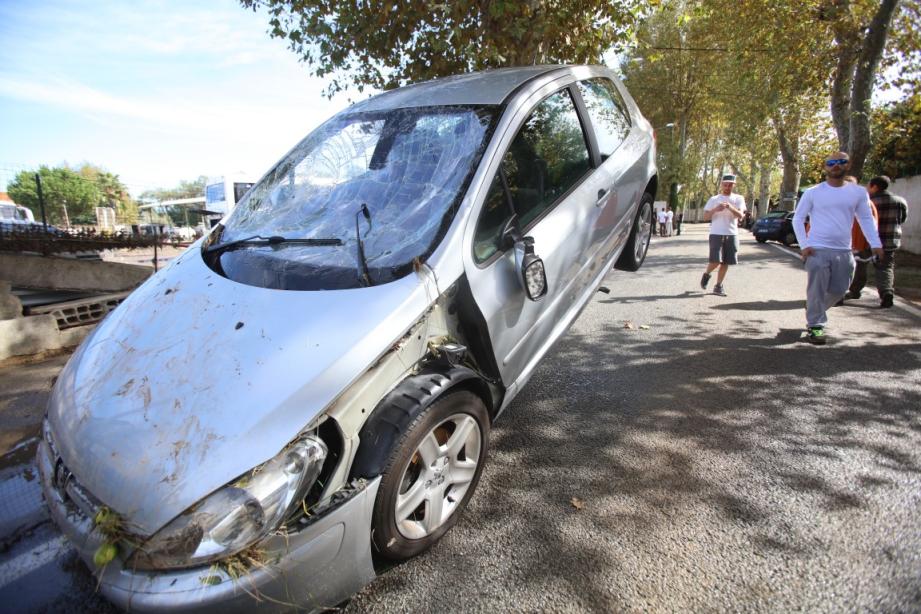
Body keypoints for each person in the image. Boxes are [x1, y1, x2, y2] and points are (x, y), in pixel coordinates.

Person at [793, 152, 883, 345]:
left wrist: (875, 244)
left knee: (840, 290)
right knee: (816, 290)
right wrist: (804, 245)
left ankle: (813, 310)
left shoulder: (858, 192)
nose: (836, 165)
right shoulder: (813, 192)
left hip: (843, 250)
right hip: (817, 249)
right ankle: (816, 326)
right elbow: (798, 218)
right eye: (831, 163)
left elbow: (865, 219)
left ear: (847, 165)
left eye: (840, 162)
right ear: (825, 167)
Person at [853, 175, 908, 308]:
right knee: (886, 267)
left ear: (875, 187)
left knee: (860, 265)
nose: (867, 188)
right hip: (890, 240)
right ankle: (886, 292)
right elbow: (903, 219)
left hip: (868, 240)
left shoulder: (868, 201)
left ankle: (854, 290)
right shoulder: (900, 201)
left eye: (869, 186)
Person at [700, 174, 746, 296]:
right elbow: (705, 217)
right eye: (725, 184)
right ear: (721, 185)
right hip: (716, 233)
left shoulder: (738, 198)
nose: (727, 187)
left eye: (730, 185)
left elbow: (741, 216)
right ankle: (707, 274)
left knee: (725, 262)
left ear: (734, 185)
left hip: (731, 233)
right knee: (715, 260)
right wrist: (716, 209)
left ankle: (718, 286)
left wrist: (730, 207)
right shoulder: (714, 199)